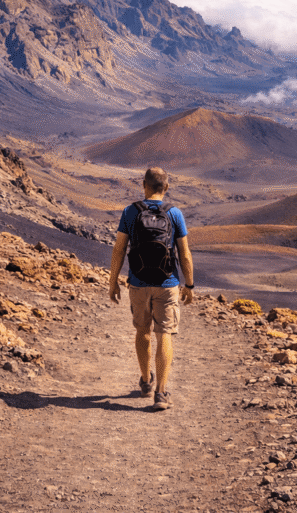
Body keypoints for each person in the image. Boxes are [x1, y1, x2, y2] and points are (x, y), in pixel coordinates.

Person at [108, 167, 194, 411]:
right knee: (164, 333)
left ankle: (146, 381)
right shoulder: (174, 213)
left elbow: (119, 249)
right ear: (166, 188)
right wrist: (189, 284)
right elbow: (184, 253)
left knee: (142, 330)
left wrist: (113, 281)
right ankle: (161, 393)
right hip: (167, 284)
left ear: (143, 185)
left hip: (138, 283)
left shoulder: (130, 211)